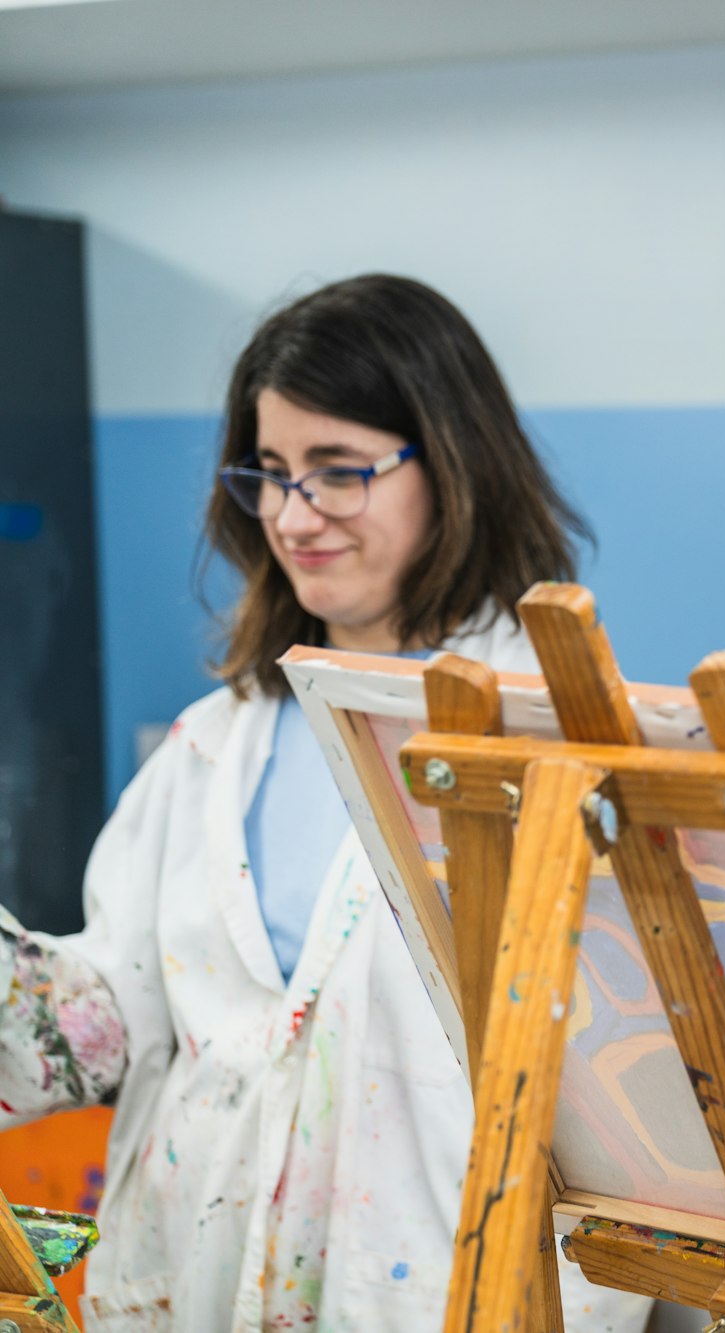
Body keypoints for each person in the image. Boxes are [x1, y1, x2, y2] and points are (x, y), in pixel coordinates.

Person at [0, 275, 654, 1331]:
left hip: (434, 1283)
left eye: (340, 472)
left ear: (451, 465)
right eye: (269, 472)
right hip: (197, 1276)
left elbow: (632, 1098)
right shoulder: (213, 746)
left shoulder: (553, 745)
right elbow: (107, 1019)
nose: (294, 515)